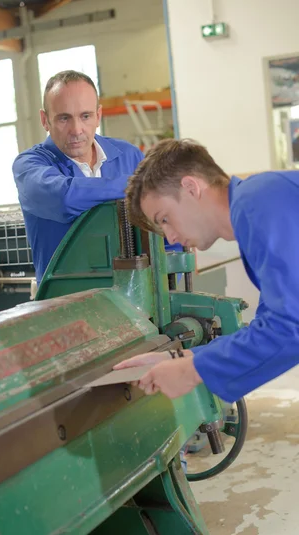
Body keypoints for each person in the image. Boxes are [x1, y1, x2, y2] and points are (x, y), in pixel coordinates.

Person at [113, 138, 299, 404]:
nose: (171, 236)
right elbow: (272, 321)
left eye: (164, 219)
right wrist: (178, 358)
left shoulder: (256, 203)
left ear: (190, 188)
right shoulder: (257, 208)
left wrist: (189, 372)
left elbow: (289, 326)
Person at [13, 70, 181, 285]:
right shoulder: (30, 166)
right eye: (64, 118)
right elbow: (65, 198)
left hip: (135, 295)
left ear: (98, 116)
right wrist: (138, 185)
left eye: (85, 116)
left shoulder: (129, 156)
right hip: (65, 299)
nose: (76, 130)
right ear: (45, 120)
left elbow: (162, 225)